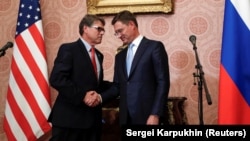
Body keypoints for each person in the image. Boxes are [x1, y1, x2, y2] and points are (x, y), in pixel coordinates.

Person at [89, 10, 170, 125]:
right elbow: (117, 86)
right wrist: (99, 97)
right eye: (116, 33)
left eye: (120, 31)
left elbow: (163, 82)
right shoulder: (120, 56)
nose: (119, 36)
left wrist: (155, 114)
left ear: (132, 25)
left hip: (148, 116)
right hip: (125, 118)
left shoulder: (154, 47)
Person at [48, 14, 112, 141]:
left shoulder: (98, 55)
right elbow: (57, 78)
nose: (102, 33)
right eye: (98, 28)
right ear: (85, 28)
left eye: (103, 30)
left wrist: (119, 85)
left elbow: (94, 84)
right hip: (69, 121)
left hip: (92, 121)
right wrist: (83, 95)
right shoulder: (69, 49)